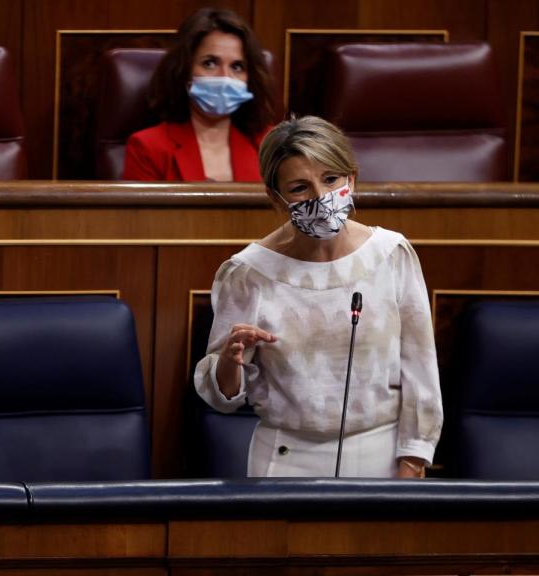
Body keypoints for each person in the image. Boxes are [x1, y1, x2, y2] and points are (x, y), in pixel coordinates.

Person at [193, 116, 443, 478]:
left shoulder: (390, 254)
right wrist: (230, 362)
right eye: (299, 188)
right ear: (275, 198)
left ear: (351, 178)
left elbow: (421, 369)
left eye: (331, 180)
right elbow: (222, 396)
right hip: (285, 458)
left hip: (383, 456)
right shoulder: (249, 272)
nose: (320, 198)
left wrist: (414, 460)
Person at [123, 8, 273, 182]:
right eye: (210, 63)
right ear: (184, 72)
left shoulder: (271, 145)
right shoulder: (148, 148)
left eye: (237, 66)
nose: (224, 77)